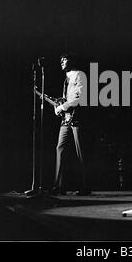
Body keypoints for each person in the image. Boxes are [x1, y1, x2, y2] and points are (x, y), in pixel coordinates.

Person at [50, 52, 90, 196]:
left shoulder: (79, 75)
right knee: (60, 148)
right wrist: (59, 107)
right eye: (60, 60)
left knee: (80, 152)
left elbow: (79, 97)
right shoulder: (66, 79)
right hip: (66, 119)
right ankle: (59, 186)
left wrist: (62, 107)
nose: (61, 61)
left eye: (64, 59)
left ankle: (85, 186)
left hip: (77, 116)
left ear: (72, 61)